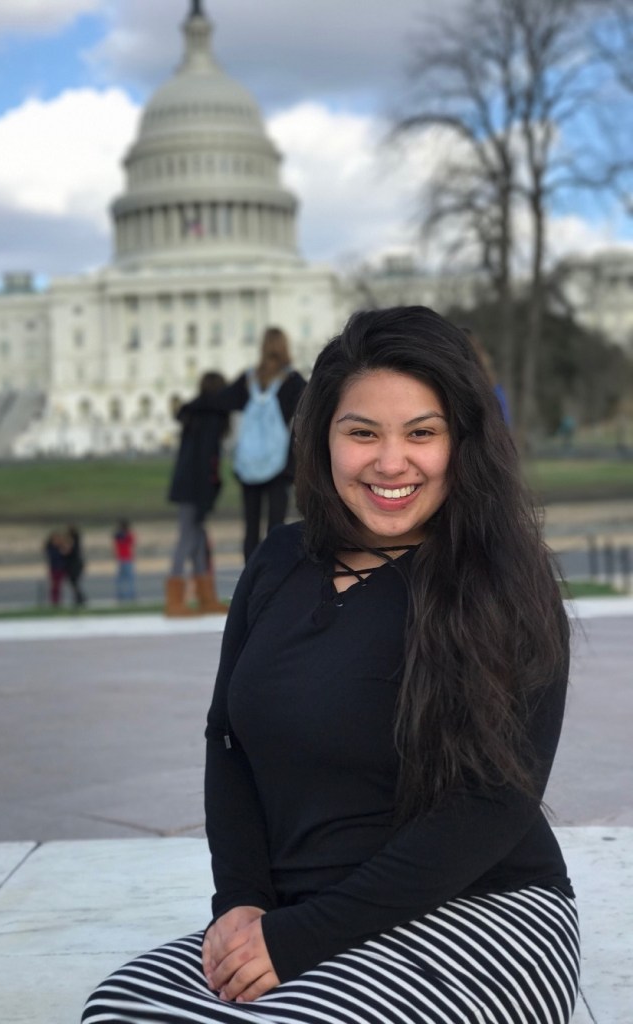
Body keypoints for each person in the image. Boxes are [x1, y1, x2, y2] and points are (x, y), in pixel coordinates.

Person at [82, 306, 579, 1024]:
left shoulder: (501, 580)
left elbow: (493, 805)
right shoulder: (281, 560)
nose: (390, 462)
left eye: (421, 433)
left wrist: (299, 940)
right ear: (323, 439)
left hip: (478, 909)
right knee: (119, 1009)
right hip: (297, 912)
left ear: (462, 442)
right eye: (362, 432)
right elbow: (229, 741)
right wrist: (242, 903)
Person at [190, 327, 306, 563]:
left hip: (249, 462)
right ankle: (274, 576)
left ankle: (250, 578)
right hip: (278, 463)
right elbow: (313, 406)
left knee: (250, 526)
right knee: (276, 525)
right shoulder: (293, 381)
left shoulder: (248, 380)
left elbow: (219, 401)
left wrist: (190, 407)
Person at [166, 371, 229, 616]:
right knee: (188, 538)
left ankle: (206, 596)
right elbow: (208, 459)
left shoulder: (192, 413)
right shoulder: (212, 417)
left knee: (198, 538)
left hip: (187, 483)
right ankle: (175, 598)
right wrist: (209, 491)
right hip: (197, 485)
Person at [113, 518, 136, 602]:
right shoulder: (127, 534)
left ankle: (120, 594)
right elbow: (133, 542)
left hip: (121, 558)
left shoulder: (118, 535)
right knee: (129, 578)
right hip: (127, 558)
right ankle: (131, 594)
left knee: (121, 579)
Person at [64, 523, 87, 607]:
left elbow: (68, 552)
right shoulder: (76, 543)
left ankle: (80, 598)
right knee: (74, 583)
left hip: (74, 565)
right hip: (75, 564)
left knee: (74, 582)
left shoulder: (73, 543)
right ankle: (79, 598)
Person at [44, 529, 67, 607]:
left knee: (58, 586)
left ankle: (57, 602)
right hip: (54, 568)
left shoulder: (60, 547)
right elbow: (52, 557)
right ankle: (54, 602)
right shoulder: (50, 548)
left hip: (60, 568)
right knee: (54, 586)